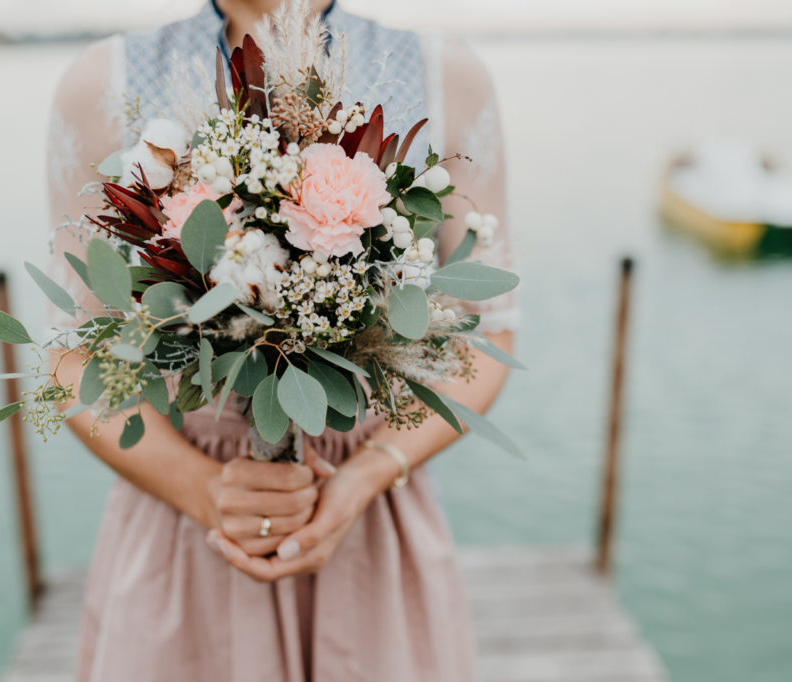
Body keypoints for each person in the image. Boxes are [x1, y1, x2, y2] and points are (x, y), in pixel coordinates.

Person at [46, 1, 519, 679]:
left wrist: (368, 472)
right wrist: (207, 491)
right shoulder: (103, 80)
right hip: (184, 517)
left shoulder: (443, 74)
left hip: (368, 515)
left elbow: (489, 327)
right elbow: (74, 349)